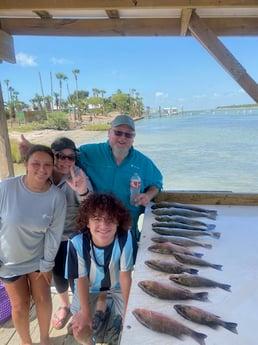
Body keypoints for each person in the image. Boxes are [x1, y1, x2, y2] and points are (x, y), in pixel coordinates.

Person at [0, 145, 67, 345]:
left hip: (39, 260)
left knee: (44, 300)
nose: (41, 169)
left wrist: (47, 264)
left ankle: (45, 339)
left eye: (47, 164)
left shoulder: (57, 197)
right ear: (26, 164)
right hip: (8, 260)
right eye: (35, 163)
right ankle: (26, 342)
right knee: (19, 306)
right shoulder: (6, 187)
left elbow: (54, 235)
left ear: (53, 167)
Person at [65, 192, 138, 345]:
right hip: (89, 287)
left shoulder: (126, 237)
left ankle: (108, 310)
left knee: (135, 320)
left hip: (117, 285)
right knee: (79, 327)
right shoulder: (76, 242)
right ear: (87, 222)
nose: (104, 225)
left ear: (118, 222)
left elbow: (125, 275)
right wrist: (85, 312)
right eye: (97, 219)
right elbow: (82, 279)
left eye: (110, 219)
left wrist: (127, 309)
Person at [78, 114, 163, 241]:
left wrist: (148, 196)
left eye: (128, 135)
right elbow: (64, 159)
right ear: (109, 132)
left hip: (127, 227)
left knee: (129, 259)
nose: (123, 138)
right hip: (98, 228)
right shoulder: (88, 152)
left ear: (133, 138)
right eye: (118, 133)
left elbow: (157, 183)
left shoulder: (143, 162)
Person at [49, 137, 93, 330]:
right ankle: (65, 305)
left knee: (75, 276)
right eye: (60, 156)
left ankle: (79, 309)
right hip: (49, 236)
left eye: (71, 157)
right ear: (52, 155)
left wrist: (82, 190)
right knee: (57, 274)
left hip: (74, 235)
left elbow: (90, 205)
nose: (66, 161)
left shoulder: (78, 174)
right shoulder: (44, 172)